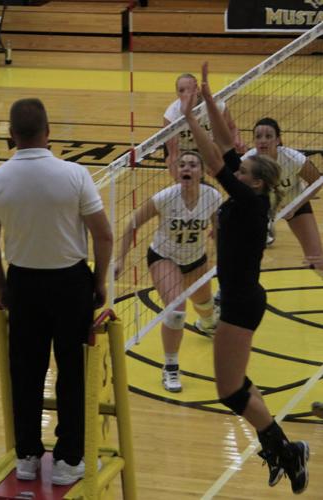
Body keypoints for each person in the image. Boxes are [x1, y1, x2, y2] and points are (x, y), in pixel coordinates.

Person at [183, 62, 309, 495]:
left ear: (254, 183)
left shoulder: (252, 204)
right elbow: (224, 144)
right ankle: (277, 448)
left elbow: (215, 158)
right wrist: (208, 98)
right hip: (240, 297)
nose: (235, 174)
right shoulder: (250, 192)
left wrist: (187, 118)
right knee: (238, 385)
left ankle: (288, 450)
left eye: (242, 173)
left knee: (231, 391)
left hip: (239, 303)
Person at [0, 98, 113, 486]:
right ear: (48, 131)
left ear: (11, 134)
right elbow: (102, 234)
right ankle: (70, 460)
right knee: (72, 371)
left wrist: (3, 286)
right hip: (70, 284)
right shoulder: (74, 174)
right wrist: (99, 281)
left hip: (23, 283)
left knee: (26, 371)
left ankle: (27, 457)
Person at [114, 150, 221, 393]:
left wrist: (221, 255)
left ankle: (207, 323)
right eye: (182, 164)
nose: (186, 168)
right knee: (176, 312)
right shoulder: (164, 198)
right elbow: (132, 224)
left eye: (193, 165)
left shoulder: (212, 197)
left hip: (196, 259)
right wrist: (119, 260)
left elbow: (218, 227)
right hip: (164, 257)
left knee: (204, 305)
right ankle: (170, 367)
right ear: (176, 172)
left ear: (201, 172)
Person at [242, 117, 322, 260]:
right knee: (246, 257)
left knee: (315, 256)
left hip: (293, 202)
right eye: (258, 136)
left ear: (278, 140)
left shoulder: (293, 159)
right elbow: (238, 192)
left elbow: (317, 181)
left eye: (268, 136)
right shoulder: (247, 163)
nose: (263, 140)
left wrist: (295, 207)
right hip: (262, 207)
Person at [164, 72, 244, 170]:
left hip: (208, 145)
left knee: (220, 169)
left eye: (189, 89)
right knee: (178, 167)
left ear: (197, 89)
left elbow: (232, 128)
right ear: (177, 94)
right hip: (182, 149)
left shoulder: (216, 105)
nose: (185, 93)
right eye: (181, 90)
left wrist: (236, 140)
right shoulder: (171, 116)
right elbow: (173, 154)